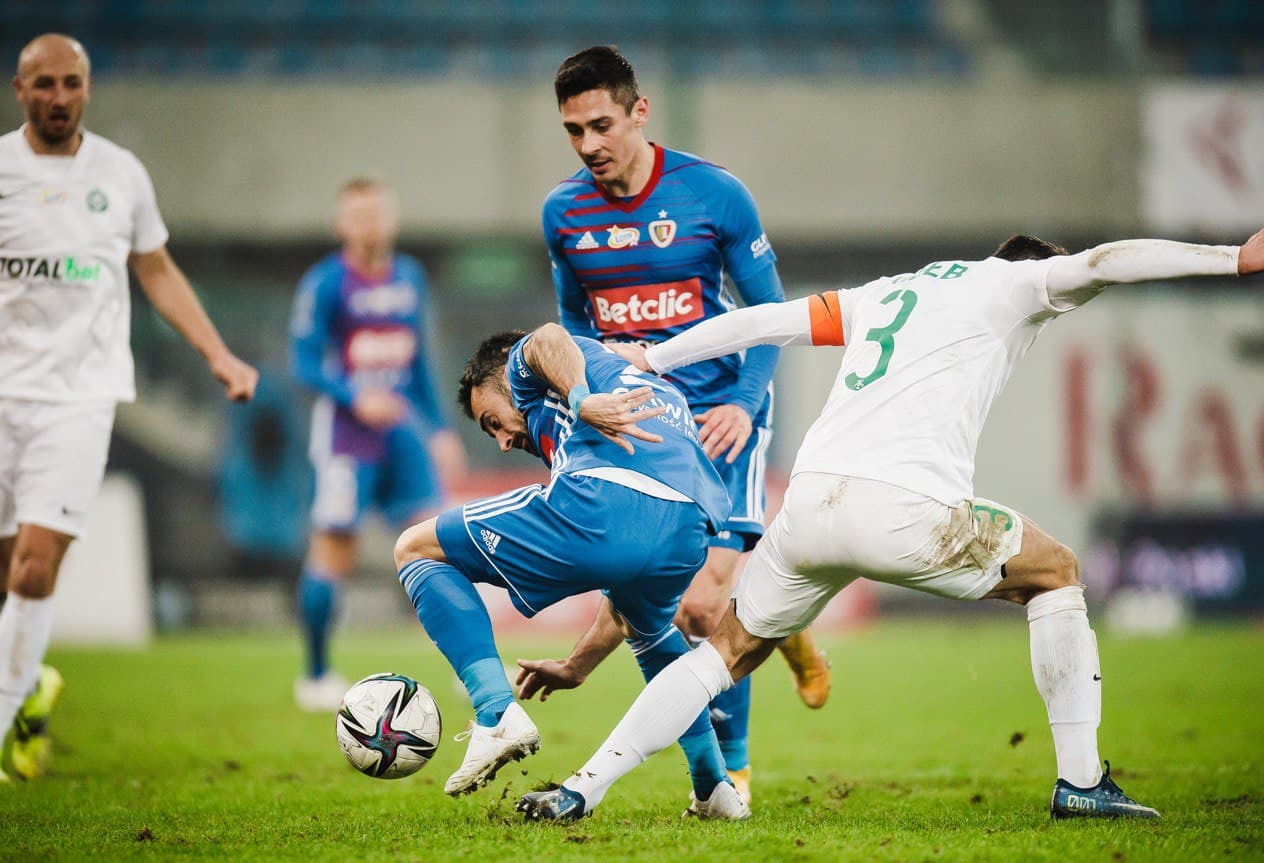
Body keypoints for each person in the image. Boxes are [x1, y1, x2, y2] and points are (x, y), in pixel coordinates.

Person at [517, 228, 1264, 822]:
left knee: (724, 653)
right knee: (1057, 571)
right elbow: (1109, 260)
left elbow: (765, 321)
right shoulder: (1015, 281)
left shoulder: (891, 291)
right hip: (906, 510)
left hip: (809, 505)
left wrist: (655, 356)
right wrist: (1232, 258)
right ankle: (1082, 783)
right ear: (1035, 267)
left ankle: (583, 787)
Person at [529, 45, 829, 801]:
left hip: (725, 415)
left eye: (601, 125)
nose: (588, 144)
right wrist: (588, 397)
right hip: (641, 424)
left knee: (700, 607)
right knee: (669, 600)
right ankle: (781, 623)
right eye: (573, 131)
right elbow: (573, 330)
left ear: (640, 112)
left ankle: (735, 772)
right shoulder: (563, 214)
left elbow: (772, 315)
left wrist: (744, 401)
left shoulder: (714, 194)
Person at [0, 34, 258, 783]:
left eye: (71, 83)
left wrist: (217, 354)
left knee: (35, 568)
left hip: (81, 397)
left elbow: (157, 269)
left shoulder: (120, 174)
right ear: (19, 89)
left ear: (88, 87)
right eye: (44, 84)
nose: (59, 97)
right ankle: (27, 683)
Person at [391, 322, 750, 818]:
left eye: (493, 422)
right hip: (689, 529)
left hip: (607, 500)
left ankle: (494, 713)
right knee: (649, 630)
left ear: (507, 377)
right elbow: (621, 605)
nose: (502, 441)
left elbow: (546, 338)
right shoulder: (640, 383)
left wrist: (580, 399)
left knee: (415, 548)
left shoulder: (531, 366)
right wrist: (577, 666)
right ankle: (713, 787)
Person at [287, 177, 466, 711]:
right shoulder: (325, 283)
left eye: (377, 214)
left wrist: (440, 429)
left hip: (404, 434)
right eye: (358, 216)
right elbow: (303, 363)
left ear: (393, 219)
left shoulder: (409, 276)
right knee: (333, 551)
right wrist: (353, 395)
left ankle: (468, 669)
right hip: (347, 439)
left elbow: (420, 362)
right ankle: (316, 674)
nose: (370, 225)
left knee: (440, 546)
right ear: (340, 224)